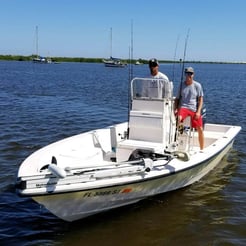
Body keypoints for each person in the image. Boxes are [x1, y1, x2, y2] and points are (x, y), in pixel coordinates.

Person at [174, 67, 204, 150]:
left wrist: (198, 111)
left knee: (200, 129)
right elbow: (177, 99)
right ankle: (180, 136)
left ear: (193, 75)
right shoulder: (181, 85)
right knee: (179, 119)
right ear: (185, 74)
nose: (189, 75)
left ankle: (202, 148)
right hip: (183, 108)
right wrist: (175, 109)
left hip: (194, 109)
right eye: (187, 73)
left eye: (190, 74)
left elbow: (201, 99)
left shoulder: (197, 85)